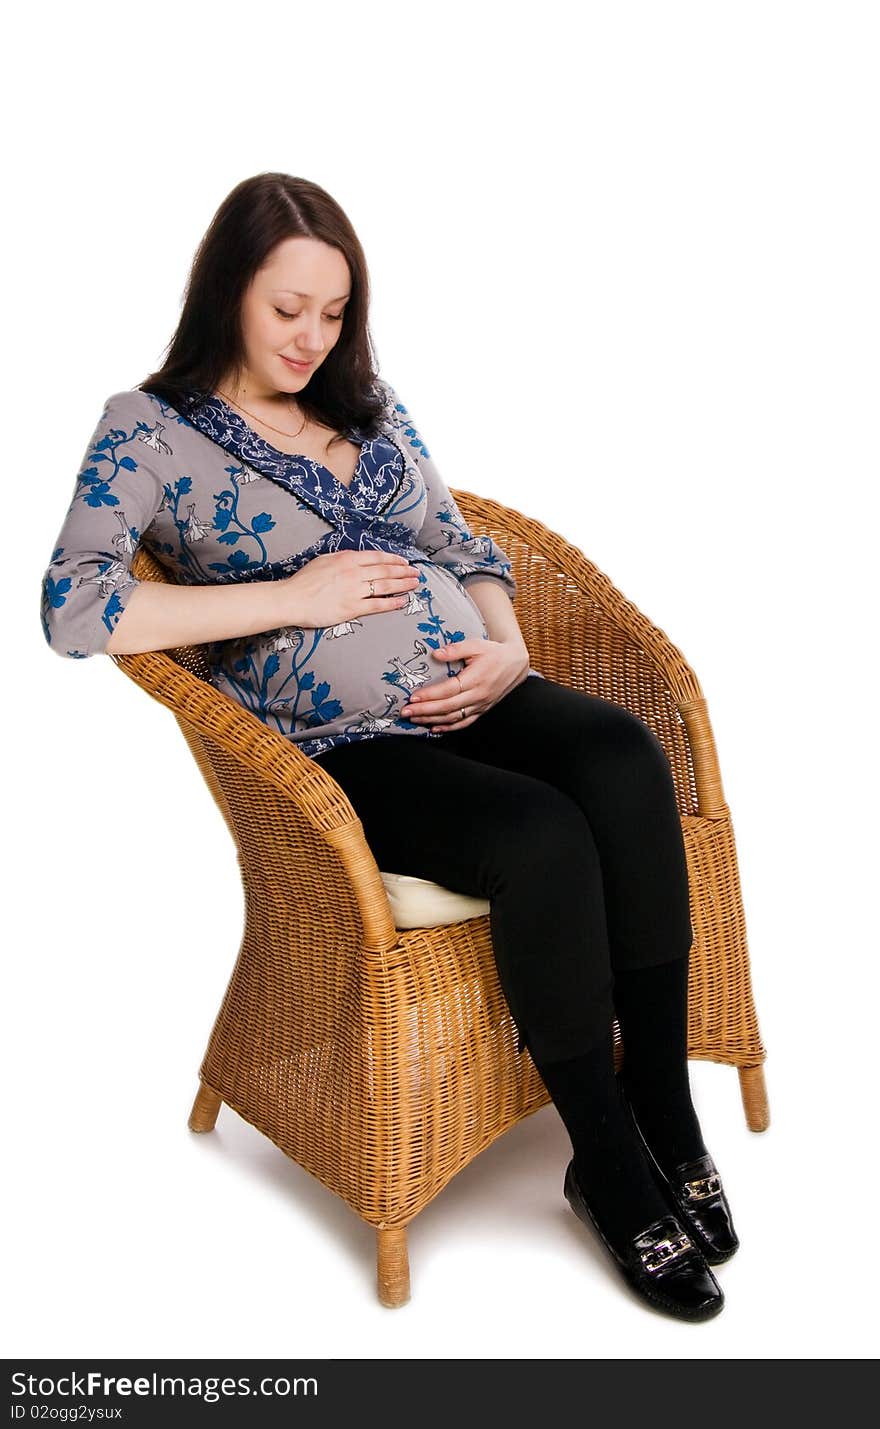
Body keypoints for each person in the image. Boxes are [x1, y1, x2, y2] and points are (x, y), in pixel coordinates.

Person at [39, 171, 738, 1321]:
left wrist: (506, 648)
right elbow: (75, 607)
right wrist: (285, 594)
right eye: (287, 311)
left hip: (473, 688)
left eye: (334, 311)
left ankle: (664, 1108)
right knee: (540, 835)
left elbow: (460, 539)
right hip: (344, 745)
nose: (312, 338)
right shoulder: (146, 429)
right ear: (225, 294)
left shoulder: (367, 402)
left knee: (621, 753)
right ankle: (607, 1164)